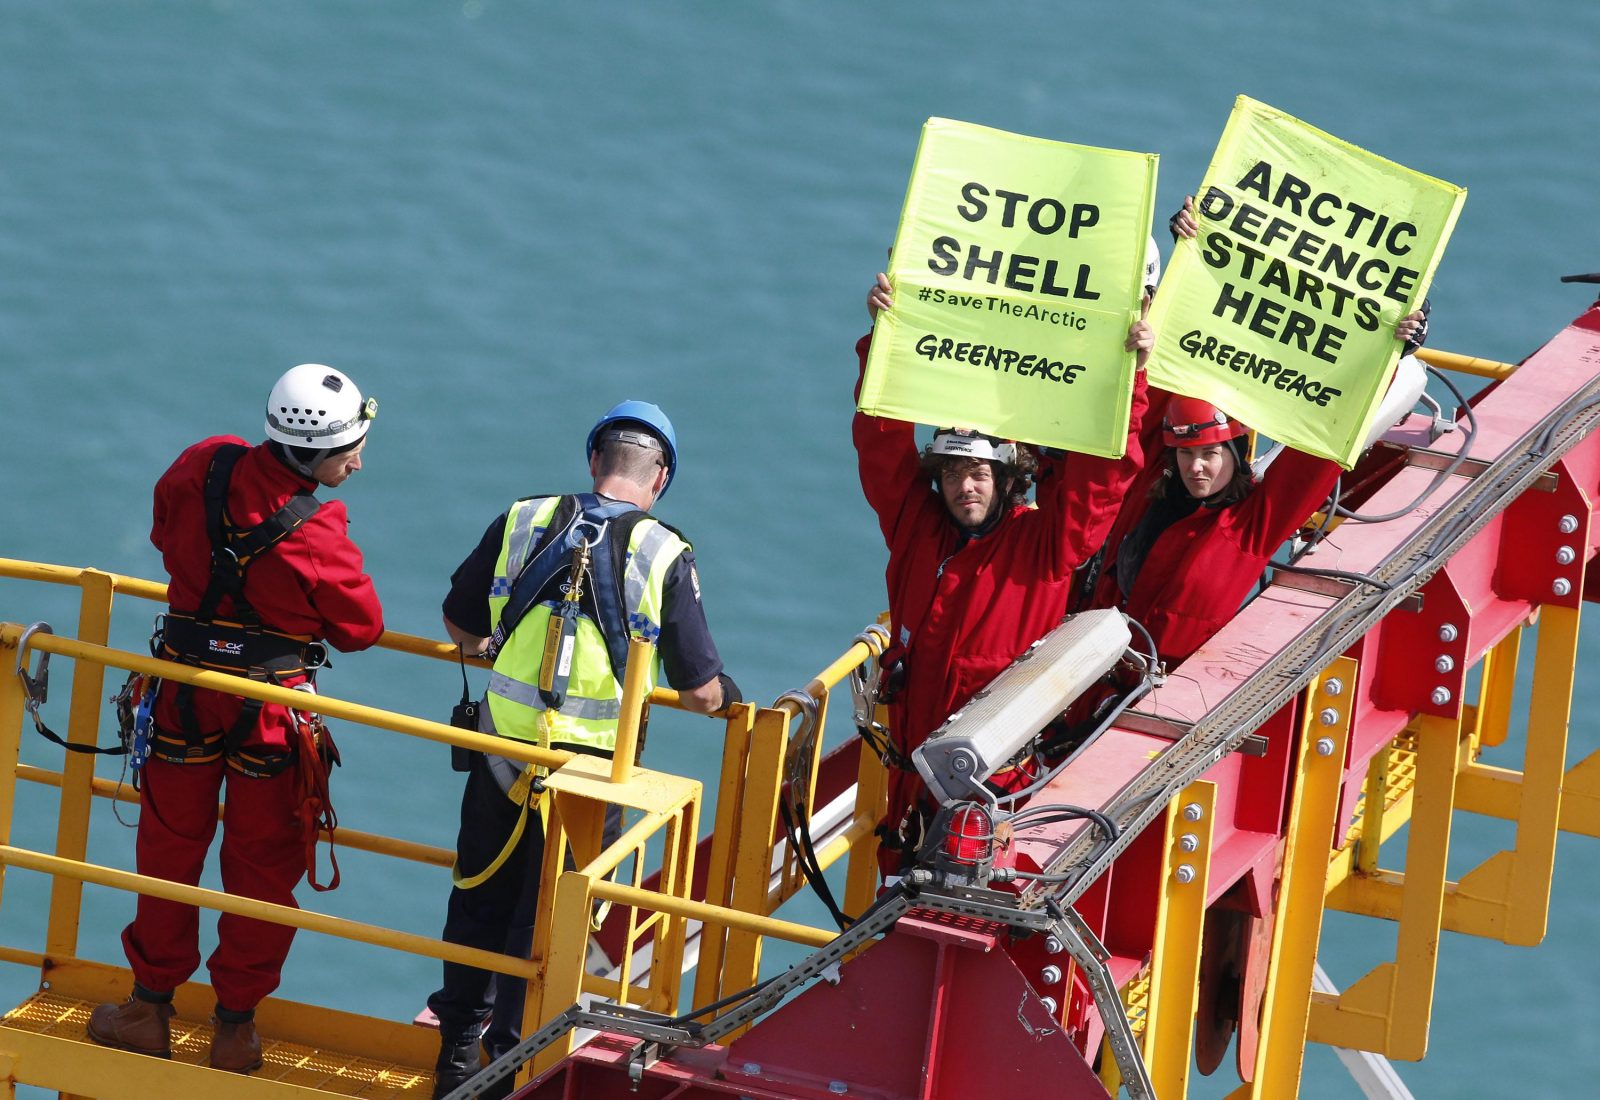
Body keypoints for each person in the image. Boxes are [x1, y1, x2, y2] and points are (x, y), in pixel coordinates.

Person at [428, 400, 738, 1098]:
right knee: (548, 928)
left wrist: (493, 649)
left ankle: (452, 1064)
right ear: (659, 480)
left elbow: (460, 619)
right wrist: (731, 695)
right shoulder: (664, 551)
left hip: (500, 759)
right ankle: (510, 1073)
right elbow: (699, 691)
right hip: (591, 777)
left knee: (477, 900)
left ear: (594, 462)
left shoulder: (524, 518)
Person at [88, 364, 383, 1072]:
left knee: (168, 852)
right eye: (351, 448)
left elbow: (164, 533)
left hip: (183, 689)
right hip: (269, 713)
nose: (359, 459)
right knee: (261, 870)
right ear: (315, 456)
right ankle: (234, 1032)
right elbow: (361, 628)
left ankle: (147, 1010)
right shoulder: (319, 532)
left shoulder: (202, 462)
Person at [856, 256, 1155, 875]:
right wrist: (885, 344)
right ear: (938, 479)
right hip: (912, 776)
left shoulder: (1043, 545)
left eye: (980, 473)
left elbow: (1104, 480)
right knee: (900, 881)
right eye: (956, 473)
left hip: (995, 786)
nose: (967, 487)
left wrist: (1130, 381)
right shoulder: (918, 531)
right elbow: (880, 445)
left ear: (1005, 478)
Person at [1079, 199, 1429, 667]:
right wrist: (1194, 251)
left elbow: (1325, 442)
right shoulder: (1148, 490)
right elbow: (1165, 374)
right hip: (1084, 666)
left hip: (1157, 687)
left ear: (1236, 451)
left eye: (1209, 453)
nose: (1196, 466)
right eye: (1185, 454)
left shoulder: (1251, 524)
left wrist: (1391, 352)